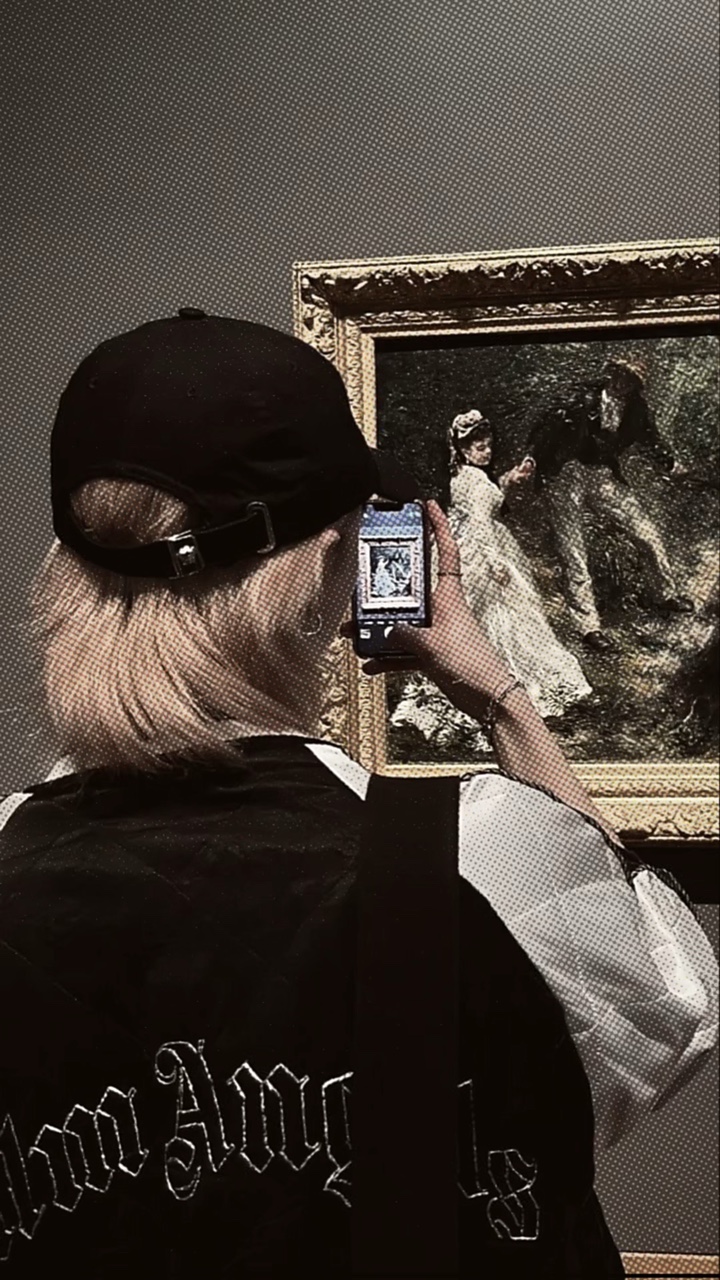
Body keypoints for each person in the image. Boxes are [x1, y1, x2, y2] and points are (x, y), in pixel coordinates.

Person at [0, 311, 716, 1279]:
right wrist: (497, 695)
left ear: (71, 570)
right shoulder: (481, 860)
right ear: (325, 569)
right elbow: (662, 1012)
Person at [392, 409, 592, 752]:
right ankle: (508, 692)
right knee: (505, 620)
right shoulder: (475, 481)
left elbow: (481, 503)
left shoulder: (463, 476)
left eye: (488, 446)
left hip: (461, 549)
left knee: (480, 624)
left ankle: (467, 690)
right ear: (462, 450)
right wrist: (495, 563)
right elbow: (482, 524)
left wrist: (509, 480)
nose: (486, 452)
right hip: (481, 554)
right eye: (479, 447)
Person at [519, 356, 694, 651]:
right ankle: (589, 627)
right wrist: (532, 459)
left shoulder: (636, 409)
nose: (622, 383)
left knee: (646, 531)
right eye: (621, 375)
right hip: (565, 472)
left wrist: (671, 464)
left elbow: (650, 438)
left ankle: (665, 594)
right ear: (612, 373)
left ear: (635, 386)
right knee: (573, 551)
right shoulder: (581, 397)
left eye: (631, 380)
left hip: (601, 474)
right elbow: (546, 428)